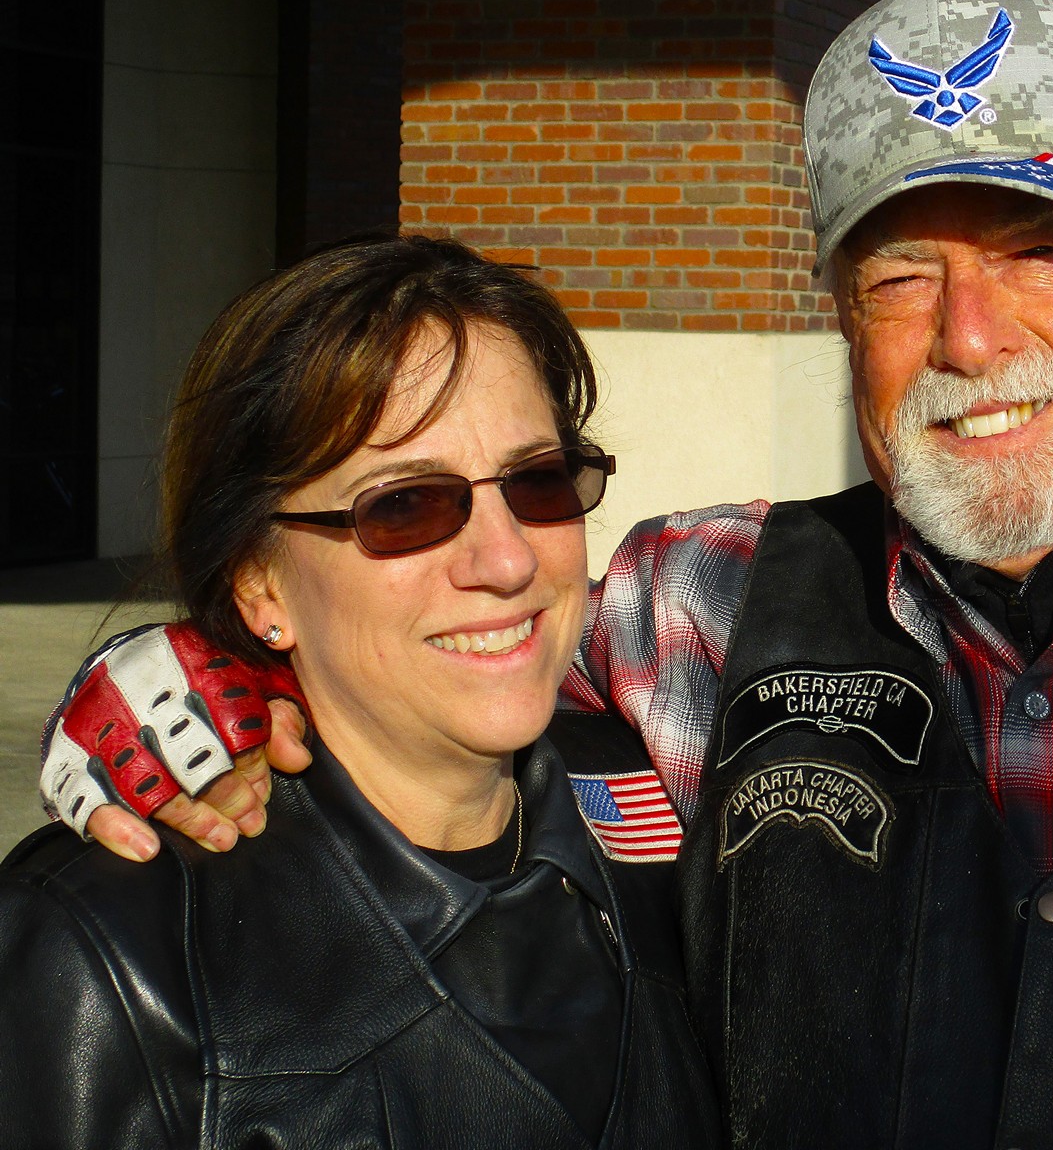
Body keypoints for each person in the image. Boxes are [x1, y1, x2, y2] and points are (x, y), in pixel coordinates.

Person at [37, 0, 1053, 1149]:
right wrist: (189, 695)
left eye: (1039, 249)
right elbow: (414, 678)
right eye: (900, 273)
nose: (970, 336)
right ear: (841, 311)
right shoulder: (692, 611)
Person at [5, 234, 721, 1147]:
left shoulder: (670, 803)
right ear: (259, 582)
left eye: (538, 481)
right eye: (405, 505)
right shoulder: (109, 952)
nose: (507, 560)